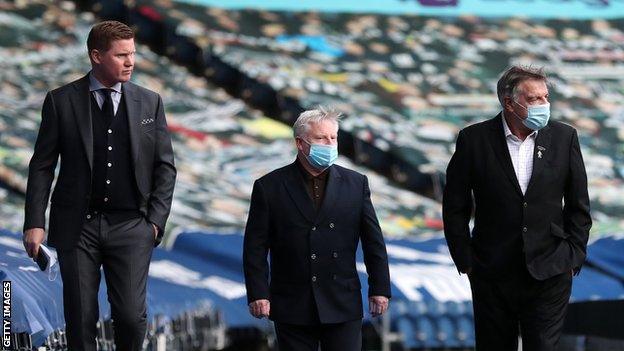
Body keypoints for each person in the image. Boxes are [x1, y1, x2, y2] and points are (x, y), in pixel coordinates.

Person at [22, 21, 176, 351]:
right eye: (122, 55)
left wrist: (154, 224)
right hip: (78, 227)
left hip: (133, 226)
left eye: (133, 54)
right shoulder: (60, 101)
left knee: (132, 317)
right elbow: (42, 165)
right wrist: (35, 222)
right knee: (80, 318)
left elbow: (165, 167)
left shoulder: (150, 102)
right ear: (95, 56)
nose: (131, 62)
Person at [443, 65, 591, 350]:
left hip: (550, 269)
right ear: (509, 102)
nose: (544, 105)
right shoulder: (474, 140)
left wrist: (573, 256)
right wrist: (466, 261)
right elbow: (454, 206)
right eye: (535, 99)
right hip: (492, 271)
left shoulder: (564, 137)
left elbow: (578, 205)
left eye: (546, 97)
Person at [243, 108, 391, 351]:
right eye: (322, 138)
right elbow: (255, 247)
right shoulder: (269, 187)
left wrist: (380, 288)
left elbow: (373, 240)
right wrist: (259, 292)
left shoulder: (356, 183)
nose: (330, 144)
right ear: (300, 143)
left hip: (342, 300)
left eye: (333, 138)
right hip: (292, 302)